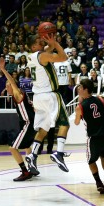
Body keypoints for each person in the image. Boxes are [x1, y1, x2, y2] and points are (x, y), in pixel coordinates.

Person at [25, 34, 70, 175]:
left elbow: (48, 49)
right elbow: (64, 58)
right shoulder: (41, 56)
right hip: (50, 94)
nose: (43, 43)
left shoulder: (30, 57)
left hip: (38, 96)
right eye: (40, 42)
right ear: (34, 46)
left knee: (43, 129)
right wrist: (55, 44)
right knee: (64, 123)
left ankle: (32, 155)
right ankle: (59, 154)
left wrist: (52, 43)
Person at [0, 57, 36, 181]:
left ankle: (25, 172)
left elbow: (12, 82)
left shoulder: (18, 93)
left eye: (7, 86)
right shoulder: (22, 95)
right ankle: (32, 167)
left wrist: (3, 70)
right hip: (31, 123)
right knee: (26, 146)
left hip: (28, 123)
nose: (6, 87)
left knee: (12, 148)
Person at [74, 79, 104, 194]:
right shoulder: (100, 99)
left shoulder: (80, 107)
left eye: (80, 87)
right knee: (103, 154)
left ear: (85, 89)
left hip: (94, 138)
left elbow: (77, 122)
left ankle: (99, 183)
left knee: (90, 161)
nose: (78, 88)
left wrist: (80, 105)